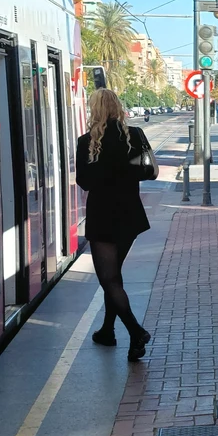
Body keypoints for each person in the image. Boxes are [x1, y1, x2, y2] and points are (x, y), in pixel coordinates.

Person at [75, 88, 153, 361]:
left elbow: (83, 181)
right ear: (118, 107)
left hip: (102, 214)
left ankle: (136, 331)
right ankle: (108, 331)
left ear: (94, 110)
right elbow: (148, 171)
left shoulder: (86, 142)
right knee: (114, 277)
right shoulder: (135, 135)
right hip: (129, 213)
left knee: (108, 280)